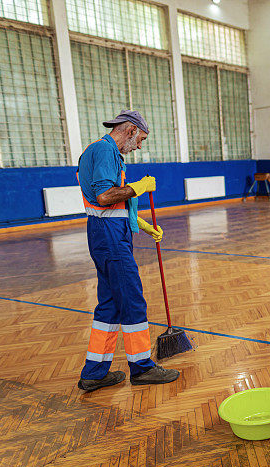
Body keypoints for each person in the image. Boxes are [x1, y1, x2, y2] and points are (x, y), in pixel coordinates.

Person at [76, 110, 180, 392]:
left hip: (107, 234)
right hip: (109, 238)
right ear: (131, 130)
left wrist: (144, 226)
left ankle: (94, 373)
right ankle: (142, 368)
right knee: (132, 300)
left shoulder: (106, 152)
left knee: (109, 305)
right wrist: (139, 187)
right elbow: (105, 197)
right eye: (141, 139)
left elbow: (113, 207)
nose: (139, 146)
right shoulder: (104, 150)